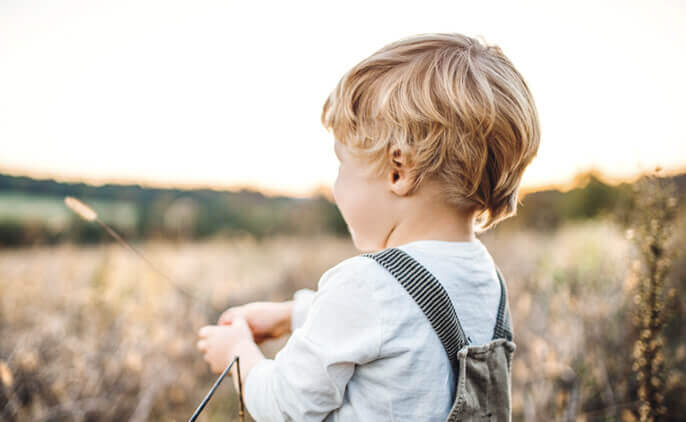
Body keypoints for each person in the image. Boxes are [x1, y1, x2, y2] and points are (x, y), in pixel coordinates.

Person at [196, 32, 540, 421]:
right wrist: (289, 315)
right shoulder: (485, 278)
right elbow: (401, 324)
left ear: (398, 170)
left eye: (343, 164)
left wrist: (238, 354)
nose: (335, 185)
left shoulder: (364, 284)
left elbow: (284, 407)